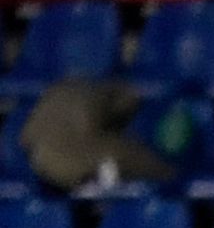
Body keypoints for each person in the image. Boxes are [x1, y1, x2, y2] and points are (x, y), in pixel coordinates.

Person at [19, 80, 177, 194]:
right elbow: (135, 158)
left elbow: (24, 139)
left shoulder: (61, 90)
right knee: (112, 172)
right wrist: (168, 173)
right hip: (69, 178)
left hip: (44, 171)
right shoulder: (97, 136)